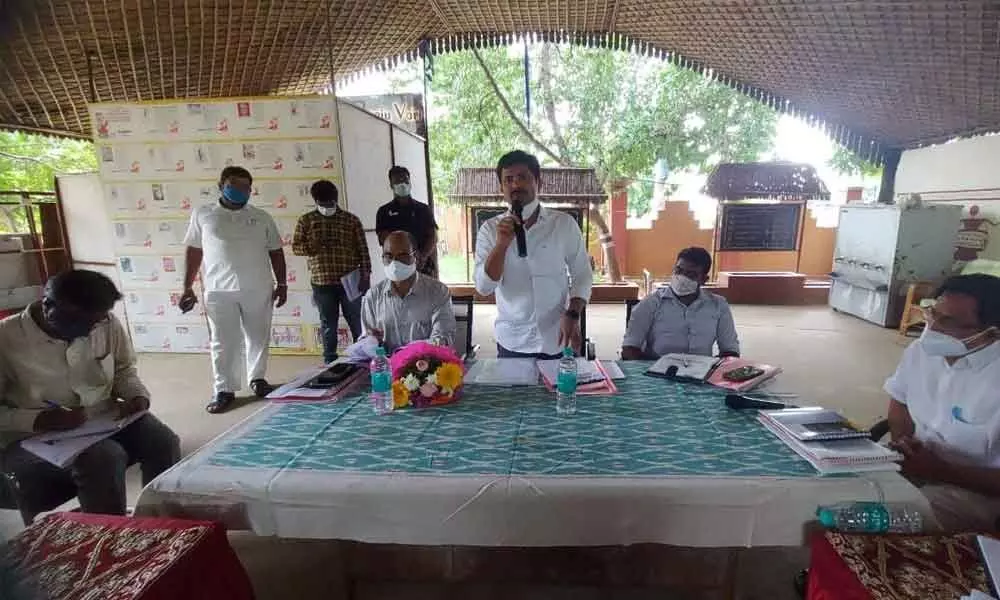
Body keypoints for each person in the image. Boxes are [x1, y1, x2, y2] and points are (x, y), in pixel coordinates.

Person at [0, 270, 180, 516]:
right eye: (78, 322)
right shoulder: (5, 339)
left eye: (94, 322)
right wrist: (37, 419)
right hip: (35, 438)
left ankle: (161, 524)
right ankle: (106, 537)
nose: (87, 331)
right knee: (104, 458)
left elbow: (124, 369)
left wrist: (136, 395)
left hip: (102, 420)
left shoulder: (104, 323)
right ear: (47, 305)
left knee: (162, 440)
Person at [884, 273, 1000, 531]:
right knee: (835, 492)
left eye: (949, 321)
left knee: (893, 520)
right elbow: (899, 402)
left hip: (975, 492)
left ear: (991, 333)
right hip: (914, 468)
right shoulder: (921, 353)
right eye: (933, 314)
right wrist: (903, 441)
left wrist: (939, 471)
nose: (933, 328)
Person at [180, 166, 287, 414]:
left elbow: (276, 252)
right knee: (222, 341)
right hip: (218, 291)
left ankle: (257, 379)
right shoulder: (203, 214)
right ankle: (224, 389)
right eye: (233, 185)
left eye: (245, 187)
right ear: (221, 186)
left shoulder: (262, 217)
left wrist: (282, 284)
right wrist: (186, 286)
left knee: (258, 337)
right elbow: (194, 251)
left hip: (258, 288)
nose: (240, 191)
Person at [474, 150, 593, 359]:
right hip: (513, 342)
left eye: (522, 177)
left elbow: (582, 274)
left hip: (557, 337)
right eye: (508, 180)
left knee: (560, 392)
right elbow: (484, 287)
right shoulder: (489, 230)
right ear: (501, 187)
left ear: (538, 181)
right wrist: (501, 245)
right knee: (517, 394)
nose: (515, 185)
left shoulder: (563, 224)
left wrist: (573, 314)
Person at [292, 179, 370, 363]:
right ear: (315, 200)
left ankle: (362, 358)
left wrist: (366, 275)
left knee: (357, 323)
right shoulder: (307, 221)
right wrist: (312, 246)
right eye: (322, 203)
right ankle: (330, 361)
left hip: (349, 281)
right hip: (322, 283)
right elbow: (296, 247)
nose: (327, 206)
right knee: (328, 325)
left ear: (336, 198)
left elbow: (363, 250)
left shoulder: (350, 220)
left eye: (330, 202)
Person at [621, 247, 740, 360]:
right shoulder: (650, 303)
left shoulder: (718, 305)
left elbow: (730, 351)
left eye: (691, 274)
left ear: (704, 280)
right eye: (679, 270)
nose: (682, 277)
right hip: (657, 373)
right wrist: (659, 367)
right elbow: (629, 350)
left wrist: (713, 369)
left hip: (700, 373)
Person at [360, 231, 456, 352]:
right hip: (386, 367)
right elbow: (365, 342)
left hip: (425, 365)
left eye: (402, 256)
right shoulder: (373, 296)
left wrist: (406, 353)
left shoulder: (438, 292)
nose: (394, 263)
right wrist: (372, 341)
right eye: (388, 256)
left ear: (415, 257)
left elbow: (443, 339)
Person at [375, 166, 439, 277]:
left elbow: (433, 236)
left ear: (410, 182)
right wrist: (405, 258)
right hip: (397, 266)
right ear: (391, 185)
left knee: (427, 293)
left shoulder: (423, 209)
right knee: (400, 294)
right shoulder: (384, 211)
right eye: (397, 181)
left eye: (405, 180)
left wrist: (422, 257)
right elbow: (384, 239)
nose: (402, 184)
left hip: (423, 265)